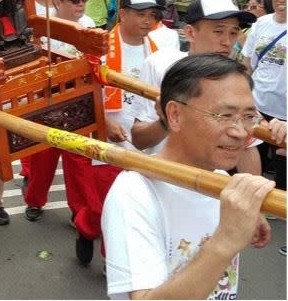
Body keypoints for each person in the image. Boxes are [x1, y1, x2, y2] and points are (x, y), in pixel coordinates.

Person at [101, 53, 274, 299]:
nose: (240, 132)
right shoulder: (134, 192)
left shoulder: (222, 179)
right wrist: (225, 241)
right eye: (224, 115)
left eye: (248, 116)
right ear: (175, 115)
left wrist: (249, 212)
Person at [73, 0, 163, 265]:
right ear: (122, 14)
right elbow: (83, 93)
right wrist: (105, 121)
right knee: (103, 210)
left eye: (152, 14)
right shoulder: (98, 47)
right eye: (140, 14)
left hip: (146, 145)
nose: (147, 21)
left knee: (130, 213)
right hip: (108, 143)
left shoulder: (160, 50)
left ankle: (115, 267)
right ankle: (86, 226)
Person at [131, 0, 257, 156]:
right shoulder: (160, 65)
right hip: (160, 173)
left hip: (209, 177)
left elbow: (247, 147)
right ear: (190, 33)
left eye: (233, 33)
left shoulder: (236, 81)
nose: (227, 42)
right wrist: (166, 121)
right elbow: (139, 140)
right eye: (218, 31)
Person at [23, 0, 96, 223]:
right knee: (43, 156)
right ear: (57, 2)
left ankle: (80, 210)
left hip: (79, 104)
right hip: (49, 101)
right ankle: (34, 200)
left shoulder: (90, 26)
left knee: (79, 162)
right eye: (74, 0)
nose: (80, 4)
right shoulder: (43, 29)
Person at [243, 0, 287, 189]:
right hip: (257, 102)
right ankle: (255, 197)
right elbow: (247, 63)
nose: (281, 0)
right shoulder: (261, 24)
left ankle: (280, 205)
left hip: (284, 108)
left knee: (282, 160)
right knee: (252, 153)